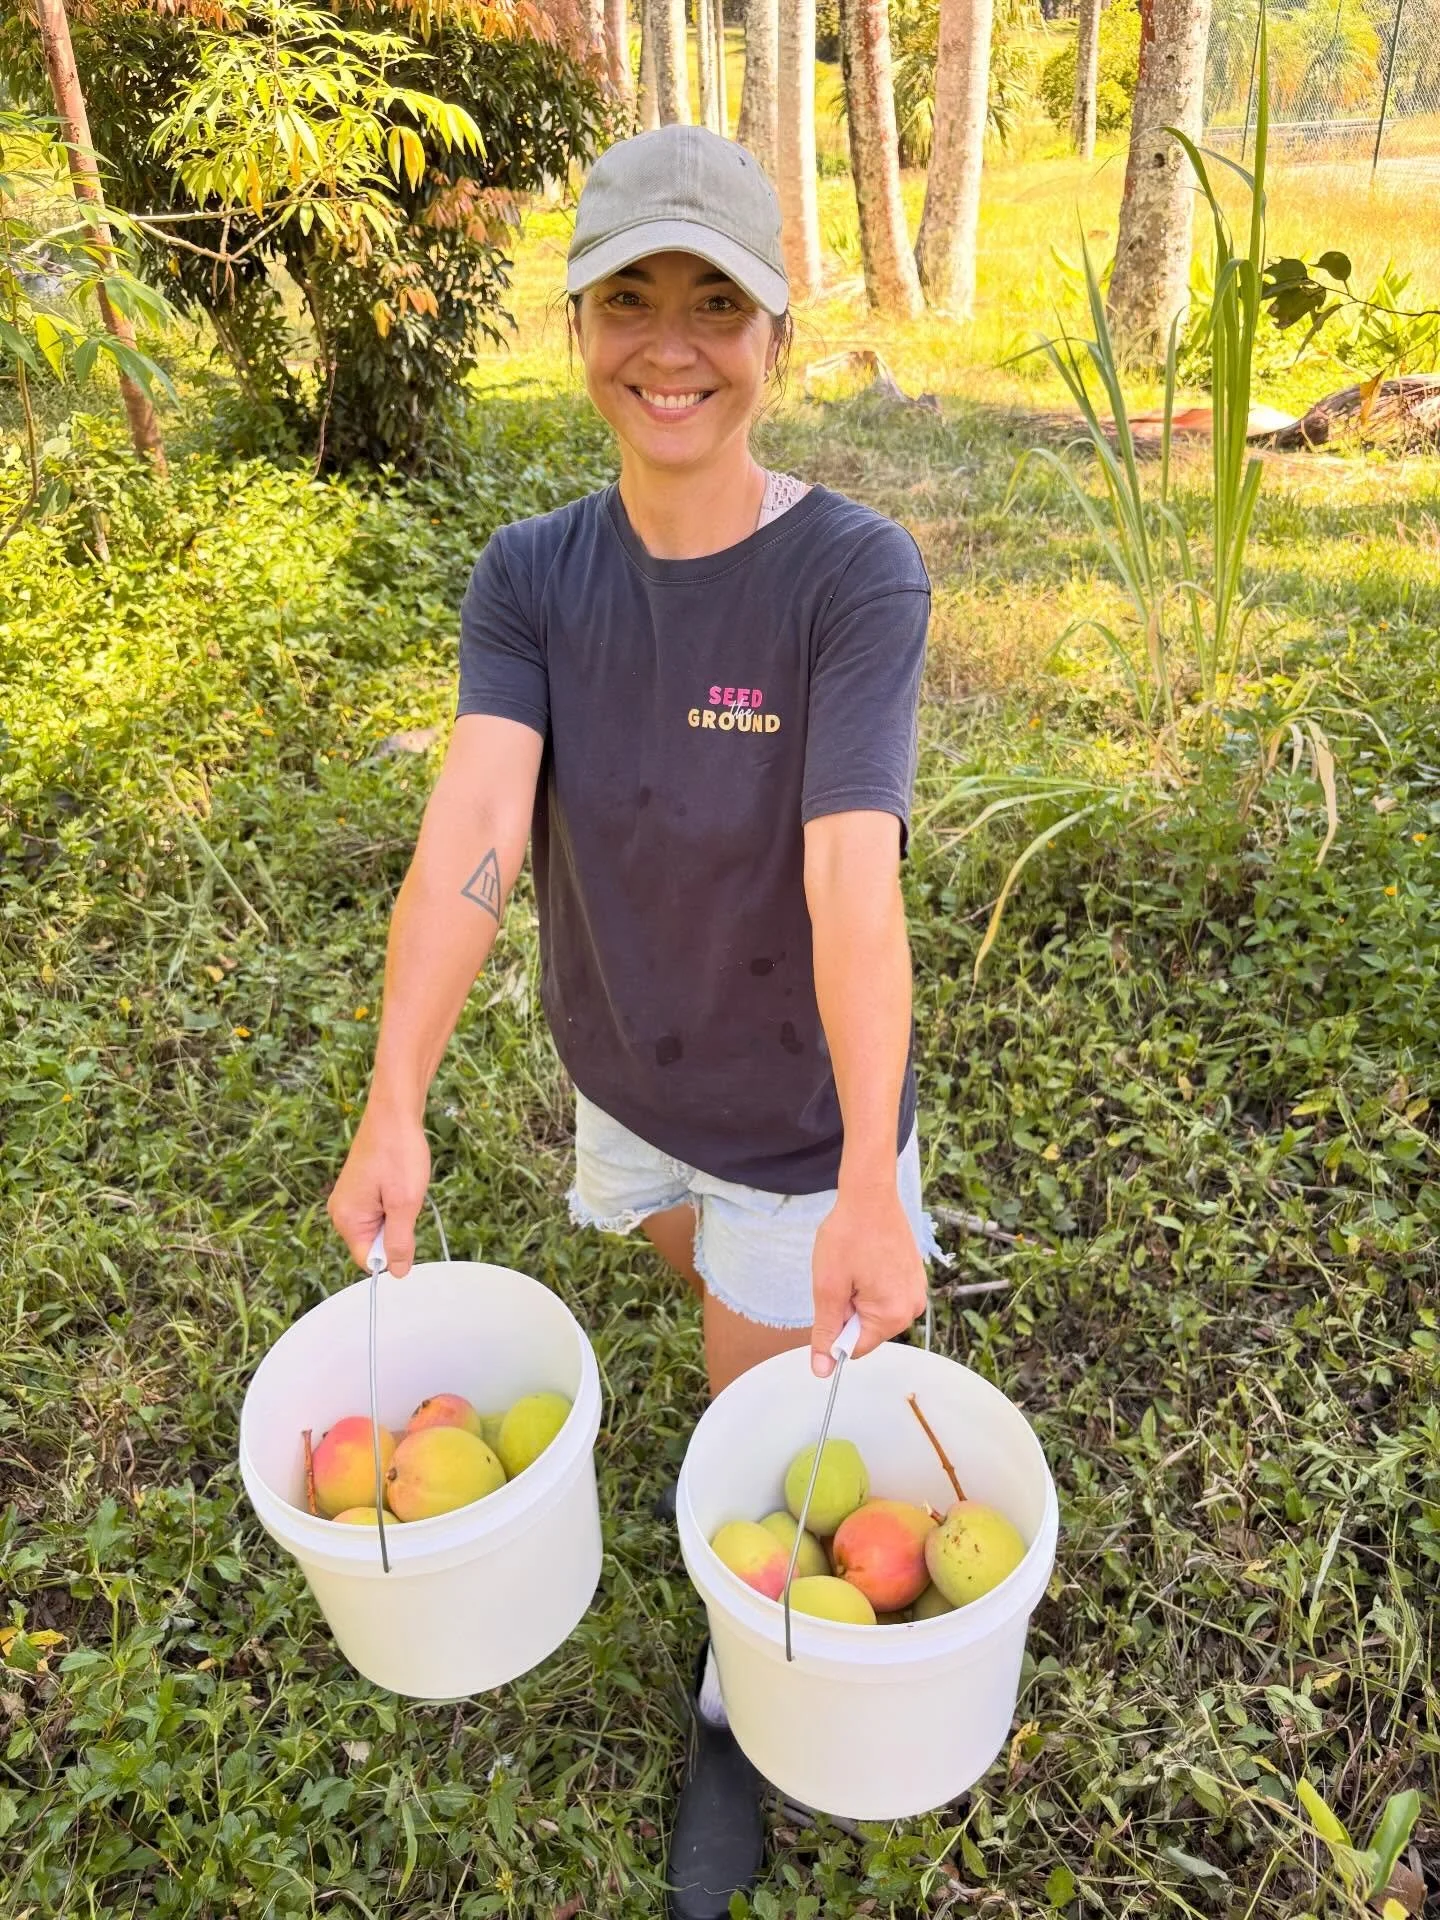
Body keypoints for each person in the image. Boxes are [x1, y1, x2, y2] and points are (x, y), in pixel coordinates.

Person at [327, 123, 945, 1920]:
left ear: (775, 337)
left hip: (794, 1112)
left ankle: (734, 1710)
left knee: (760, 1461)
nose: (669, 345)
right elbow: (468, 845)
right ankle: (801, 1311)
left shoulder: (853, 574)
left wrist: (861, 1178)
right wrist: (394, 1101)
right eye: (629, 298)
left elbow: (854, 884)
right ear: (578, 321)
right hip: (631, 1078)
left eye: (715, 304)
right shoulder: (531, 576)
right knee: (706, 1290)